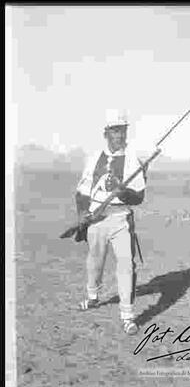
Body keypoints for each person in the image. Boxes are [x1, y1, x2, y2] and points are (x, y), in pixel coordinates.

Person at [75, 110, 146, 335]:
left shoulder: (133, 159)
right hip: (97, 217)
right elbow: (82, 190)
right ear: (106, 133)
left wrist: (123, 190)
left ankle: (127, 315)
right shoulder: (94, 158)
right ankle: (93, 297)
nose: (120, 135)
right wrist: (82, 213)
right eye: (115, 130)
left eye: (123, 130)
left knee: (126, 264)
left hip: (120, 219)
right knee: (95, 261)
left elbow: (139, 197)